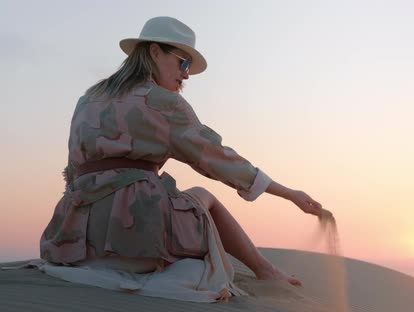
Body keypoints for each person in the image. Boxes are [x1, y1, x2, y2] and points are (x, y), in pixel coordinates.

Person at [39, 16, 323, 299]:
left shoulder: (88, 99)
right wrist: (289, 194)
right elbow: (219, 159)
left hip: (75, 241)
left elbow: (73, 172)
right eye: (183, 62)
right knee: (203, 195)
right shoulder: (165, 103)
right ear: (153, 52)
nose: (186, 74)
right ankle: (266, 271)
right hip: (136, 239)